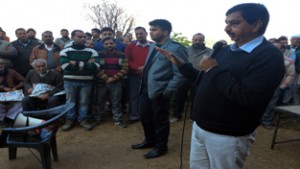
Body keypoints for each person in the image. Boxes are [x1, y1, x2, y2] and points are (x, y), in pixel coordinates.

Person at [156, 3, 285, 168]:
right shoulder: (226, 50)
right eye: (226, 22)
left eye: (234, 23)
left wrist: (213, 68)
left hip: (228, 135)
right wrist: (181, 64)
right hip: (200, 127)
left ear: (256, 25)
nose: (226, 28)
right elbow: (204, 80)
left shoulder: (269, 56)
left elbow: (250, 97)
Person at [131, 19, 188, 159]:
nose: (150, 32)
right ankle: (150, 140)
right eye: (150, 29)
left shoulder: (176, 48)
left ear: (165, 31)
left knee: (160, 121)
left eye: (154, 30)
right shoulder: (153, 46)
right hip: (145, 89)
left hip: (160, 92)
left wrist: (167, 92)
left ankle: (161, 147)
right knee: (145, 117)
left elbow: (180, 74)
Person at [60, 30, 99, 131]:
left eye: (84, 37)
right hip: (69, 81)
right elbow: (65, 66)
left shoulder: (92, 51)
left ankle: (83, 120)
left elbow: (96, 66)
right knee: (70, 101)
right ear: (73, 37)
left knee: (84, 102)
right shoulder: (65, 51)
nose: (83, 39)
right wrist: (86, 64)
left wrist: (74, 63)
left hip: (87, 81)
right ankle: (70, 119)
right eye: (80, 37)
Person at [170, 33, 212, 123]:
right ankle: (177, 115)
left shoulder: (210, 52)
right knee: (179, 97)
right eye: (195, 40)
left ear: (203, 41)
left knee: (196, 98)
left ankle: (194, 116)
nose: (197, 42)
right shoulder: (186, 49)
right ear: (192, 40)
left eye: (200, 40)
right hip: (184, 77)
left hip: (199, 78)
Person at [92, 37, 128, 128]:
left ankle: (117, 120)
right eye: (106, 44)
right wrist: (106, 78)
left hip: (116, 82)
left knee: (116, 102)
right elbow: (96, 68)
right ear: (103, 45)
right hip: (101, 82)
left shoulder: (122, 55)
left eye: (111, 43)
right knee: (99, 101)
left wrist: (114, 78)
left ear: (115, 44)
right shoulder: (98, 55)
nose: (109, 45)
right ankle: (97, 119)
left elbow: (125, 69)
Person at [261, 40, 295, 129]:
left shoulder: (288, 61)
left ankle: (266, 121)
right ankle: (255, 120)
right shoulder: (262, 58)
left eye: (277, 48)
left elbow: (291, 75)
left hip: (276, 87)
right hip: (260, 86)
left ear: (282, 50)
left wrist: (282, 86)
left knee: (271, 104)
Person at [125, 26, 152, 124]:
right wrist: (137, 68)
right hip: (134, 75)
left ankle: (147, 115)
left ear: (146, 34)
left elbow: (156, 60)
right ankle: (134, 115)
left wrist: (146, 68)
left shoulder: (153, 45)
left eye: (141, 33)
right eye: (137, 34)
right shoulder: (130, 46)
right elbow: (127, 60)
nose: (139, 35)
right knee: (133, 96)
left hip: (149, 76)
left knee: (149, 95)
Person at [0, 58, 24, 126]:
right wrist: (3, 88)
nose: (0, 65)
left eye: (1, 64)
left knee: (21, 101)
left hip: (12, 92)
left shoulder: (11, 71)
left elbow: (23, 80)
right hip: (1, 93)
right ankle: (1, 119)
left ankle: (9, 118)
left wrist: (15, 88)